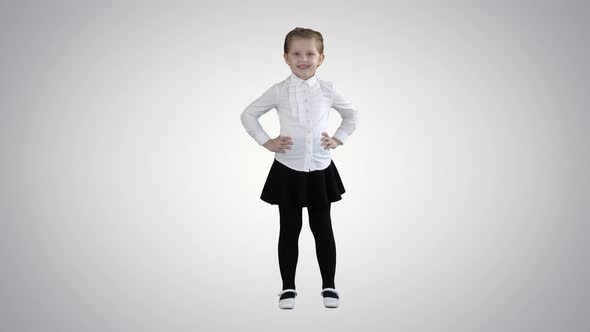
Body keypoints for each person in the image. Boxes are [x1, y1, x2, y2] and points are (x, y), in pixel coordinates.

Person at [240, 27, 359, 309]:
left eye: (310, 53)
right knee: (289, 228)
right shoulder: (279, 91)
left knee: (322, 228)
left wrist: (338, 138)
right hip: (288, 169)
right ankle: (287, 288)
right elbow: (248, 114)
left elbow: (352, 113)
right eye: (296, 53)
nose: (303, 58)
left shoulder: (329, 89)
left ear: (321, 58)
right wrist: (265, 141)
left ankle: (329, 285)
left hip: (319, 168)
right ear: (286, 57)